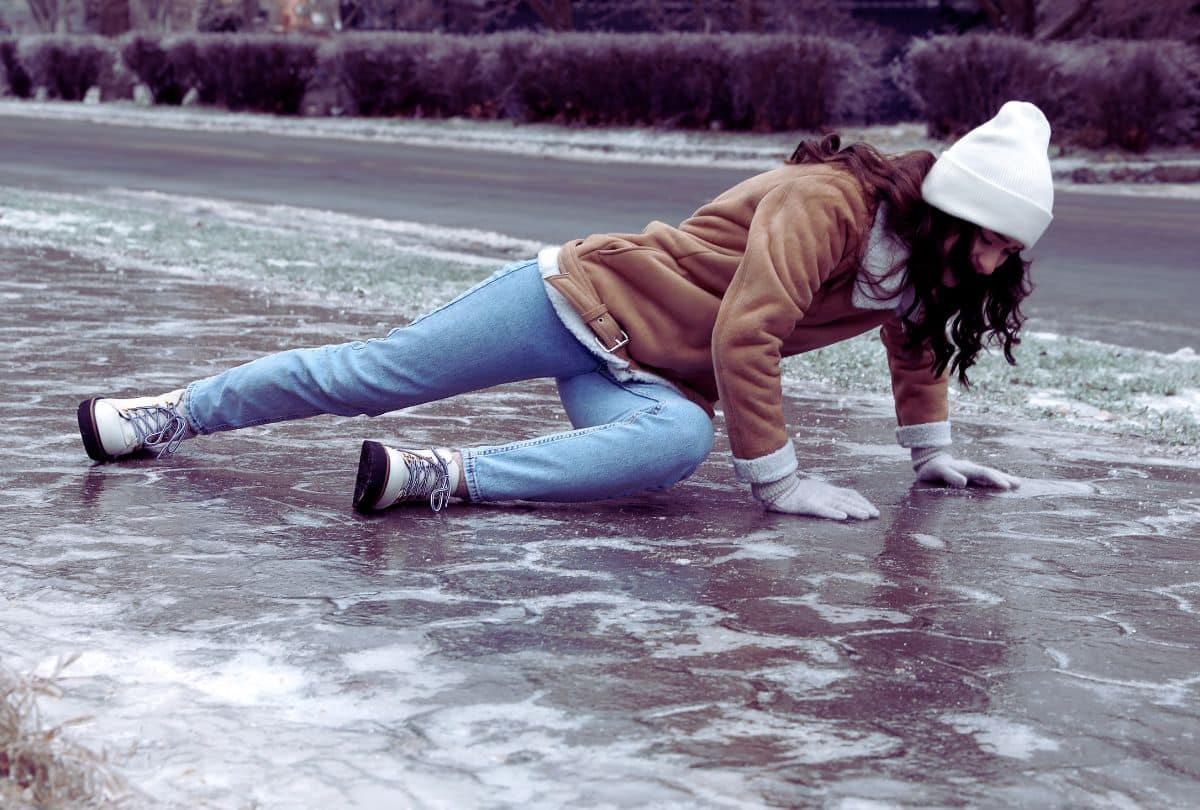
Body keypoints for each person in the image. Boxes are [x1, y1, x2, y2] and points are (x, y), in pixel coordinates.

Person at [77, 101, 1053, 521]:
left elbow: (918, 340)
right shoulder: (828, 203)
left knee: (670, 450)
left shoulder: (925, 266)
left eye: (1013, 248)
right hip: (574, 299)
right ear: (945, 211)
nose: (998, 260)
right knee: (371, 378)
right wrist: (782, 483)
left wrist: (930, 455)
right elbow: (746, 331)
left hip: (648, 375)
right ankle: (165, 414)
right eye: (993, 238)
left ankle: (438, 478)